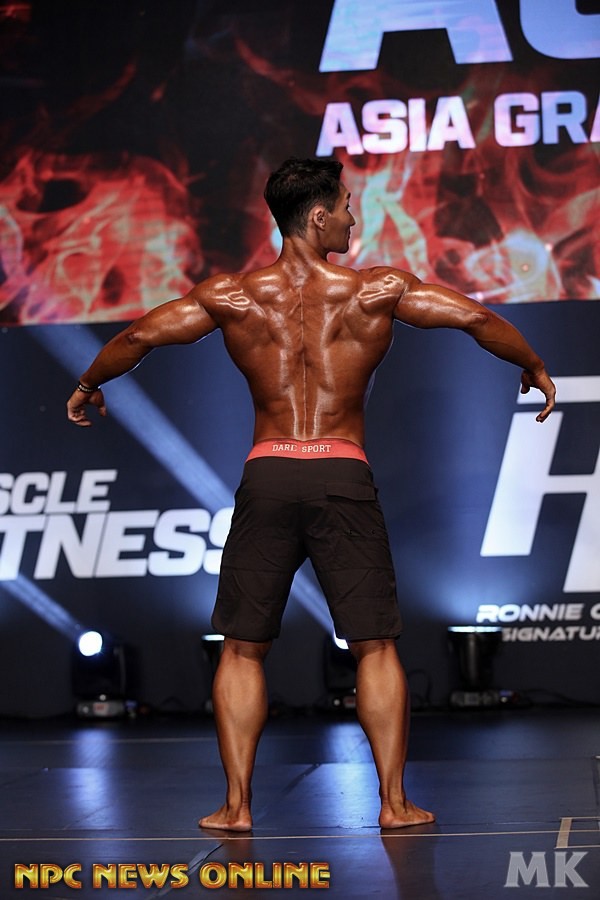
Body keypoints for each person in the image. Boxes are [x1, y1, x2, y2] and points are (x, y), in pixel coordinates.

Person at [67, 157, 556, 832]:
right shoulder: (374, 290)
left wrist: (89, 384)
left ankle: (237, 807)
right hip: (340, 474)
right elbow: (472, 317)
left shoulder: (235, 295)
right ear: (318, 215)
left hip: (269, 475)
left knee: (242, 648)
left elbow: (139, 335)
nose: (354, 218)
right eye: (347, 206)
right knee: (374, 646)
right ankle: (394, 804)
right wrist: (532, 363)